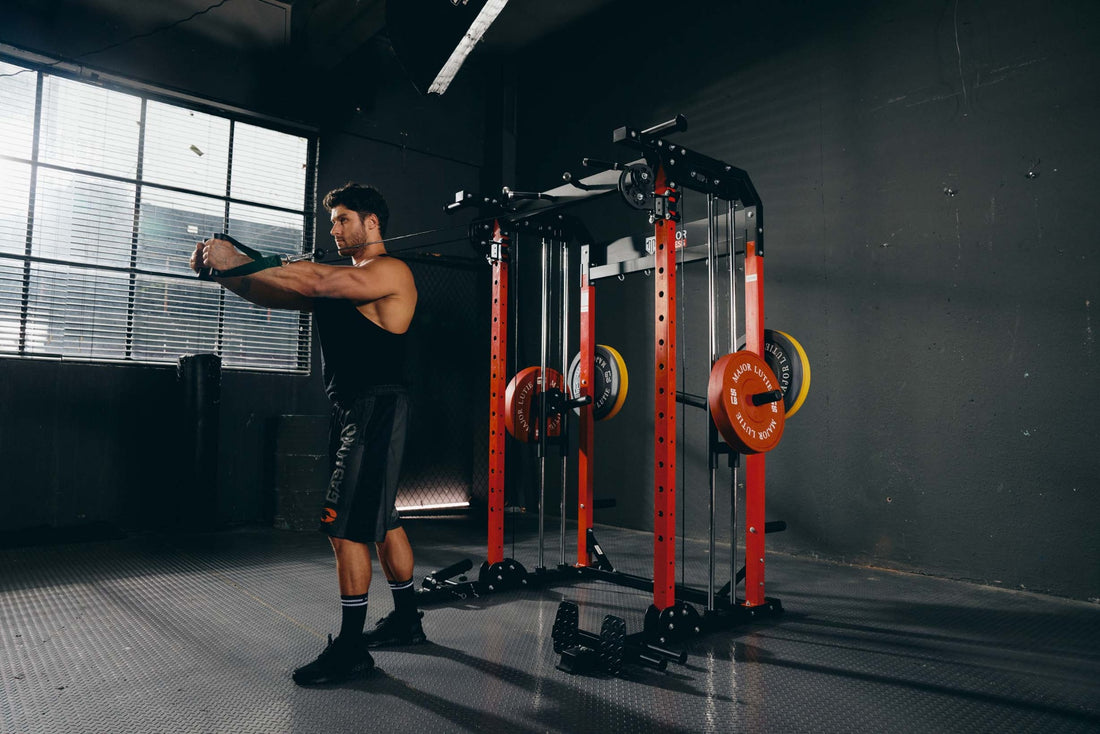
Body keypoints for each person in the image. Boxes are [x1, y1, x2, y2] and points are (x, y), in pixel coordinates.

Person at [190, 182, 426, 686]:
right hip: (358, 411)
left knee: (345, 529)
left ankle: (351, 648)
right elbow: (275, 290)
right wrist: (225, 274)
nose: (335, 228)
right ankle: (407, 620)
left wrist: (241, 256)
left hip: (375, 408)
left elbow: (315, 280)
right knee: (382, 520)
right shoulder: (345, 280)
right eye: (334, 220)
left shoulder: (388, 271)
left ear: (372, 222)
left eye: (344, 219)